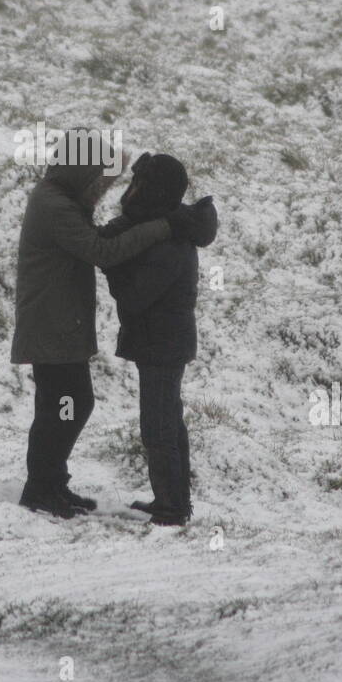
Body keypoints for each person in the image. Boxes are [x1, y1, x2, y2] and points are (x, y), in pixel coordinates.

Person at [11, 131, 213, 519]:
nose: (102, 190)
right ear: (79, 171)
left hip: (59, 324)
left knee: (66, 405)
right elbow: (100, 250)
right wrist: (164, 226)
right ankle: (42, 486)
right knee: (64, 406)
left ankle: (51, 483)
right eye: (97, 181)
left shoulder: (59, 200)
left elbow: (103, 245)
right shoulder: (55, 206)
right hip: (51, 326)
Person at [102, 153, 217, 526]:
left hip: (162, 345)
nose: (131, 191)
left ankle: (172, 506)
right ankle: (172, 501)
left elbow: (134, 296)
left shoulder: (168, 241)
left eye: (140, 185)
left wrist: (112, 262)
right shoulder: (169, 228)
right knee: (167, 423)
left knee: (160, 428)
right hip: (163, 342)